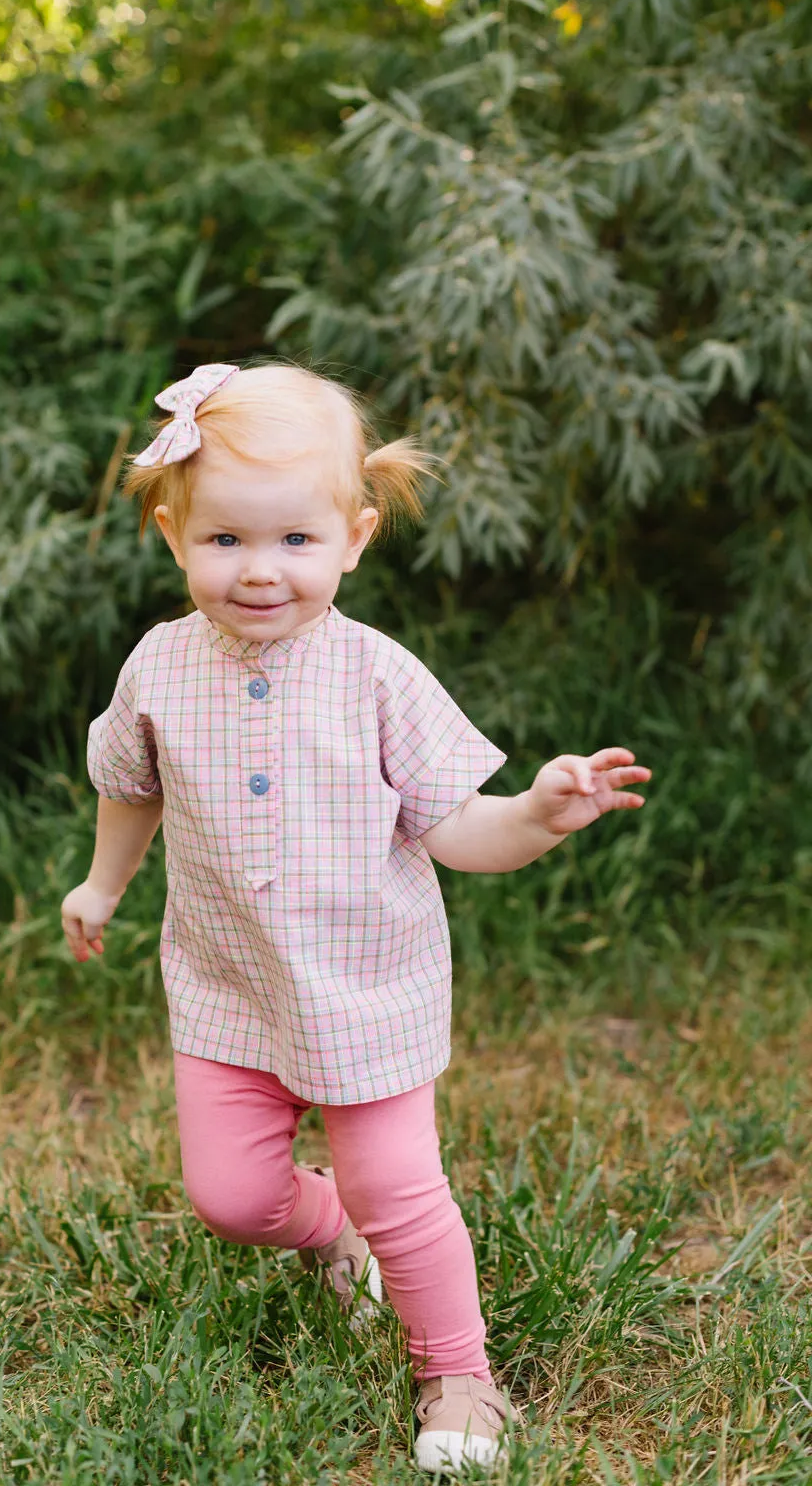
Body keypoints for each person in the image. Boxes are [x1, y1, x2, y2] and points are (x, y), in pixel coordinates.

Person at [61, 362, 651, 1474]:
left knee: (395, 1184)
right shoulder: (158, 667)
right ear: (171, 530)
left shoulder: (377, 676)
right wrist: (101, 886)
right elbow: (129, 787)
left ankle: (459, 1373)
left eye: (295, 541)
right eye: (225, 540)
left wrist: (537, 812)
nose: (259, 571)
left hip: (367, 986)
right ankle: (331, 1237)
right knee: (230, 1196)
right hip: (228, 986)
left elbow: (455, 828)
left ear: (354, 536)